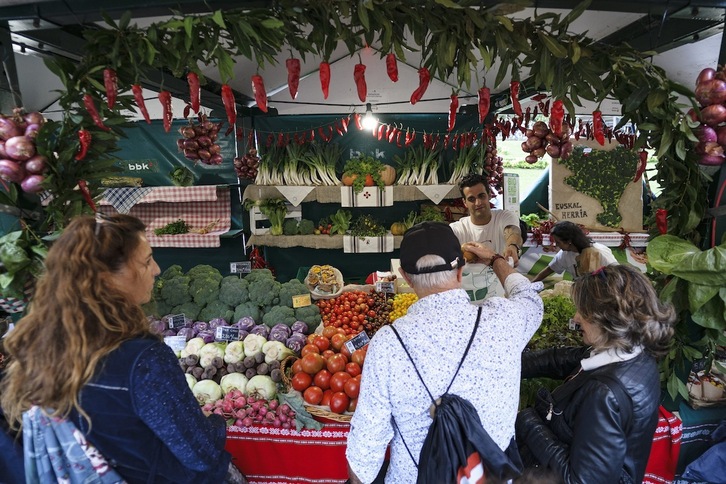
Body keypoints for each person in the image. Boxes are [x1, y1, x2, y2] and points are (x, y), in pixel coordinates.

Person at [0, 213, 242, 483]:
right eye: (146, 261)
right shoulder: (144, 360)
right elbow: (200, 453)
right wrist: (213, 423)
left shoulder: (45, 350)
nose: (156, 270)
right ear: (106, 278)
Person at [346, 221, 543, 483]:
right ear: (461, 271)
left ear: (405, 276)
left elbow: (365, 453)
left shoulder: (387, 344)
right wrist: (495, 259)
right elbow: (528, 297)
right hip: (491, 477)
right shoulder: (504, 321)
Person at [515, 264, 676, 483]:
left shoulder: (604, 394)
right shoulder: (634, 351)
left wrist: (527, 420)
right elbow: (560, 359)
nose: (576, 317)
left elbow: (580, 480)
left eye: (583, 312)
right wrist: (507, 362)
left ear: (607, 319)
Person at [449, 173, 524, 301]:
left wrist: (512, 245)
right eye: (471, 199)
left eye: (481, 196)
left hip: (501, 291)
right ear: (464, 202)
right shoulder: (458, 228)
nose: (478, 202)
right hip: (470, 295)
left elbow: (513, 231)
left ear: (489, 195)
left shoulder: (504, 216)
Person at [531, 220, 618, 283]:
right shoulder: (564, 254)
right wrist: (531, 284)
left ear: (569, 241)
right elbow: (549, 269)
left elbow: (618, 274)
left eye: (558, 242)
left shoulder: (599, 252)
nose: (556, 245)